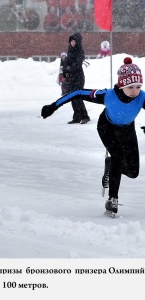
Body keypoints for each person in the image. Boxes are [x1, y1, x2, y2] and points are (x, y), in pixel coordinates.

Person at [41, 57, 144, 216]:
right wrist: (53, 106)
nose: (134, 91)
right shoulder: (108, 95)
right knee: (118, 155)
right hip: (106, 127)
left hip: (127, 129)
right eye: (130, 86)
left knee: (133, 172)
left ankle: (110, 165)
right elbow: (77, 93)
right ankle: (112, 199)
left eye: (138, 86)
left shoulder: (141, 97)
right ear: (122, 84)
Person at [63, 32, 90, 124]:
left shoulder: (80, 52)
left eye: (74, 41)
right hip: (71, 77)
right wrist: (65, 70)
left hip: (78, 77)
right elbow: (66, 63)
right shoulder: (70, 50)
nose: (72, 43)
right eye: (71, 41)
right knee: (72, 97)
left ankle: (85, 116)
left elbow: (77, 65)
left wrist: (69, 68)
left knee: (77, 97)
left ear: (78, 42)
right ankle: (77, 117)